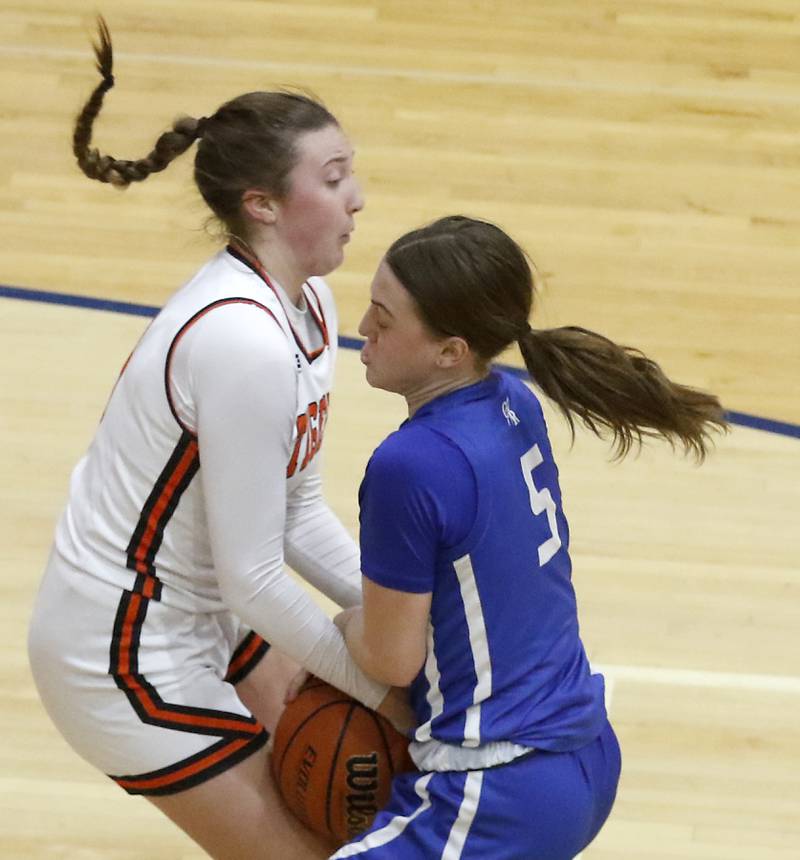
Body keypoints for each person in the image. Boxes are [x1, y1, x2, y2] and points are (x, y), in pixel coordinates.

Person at [27, 18, 402, 860]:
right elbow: (257, 572)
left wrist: (392, 624)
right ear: (262, 205)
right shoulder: (241, 339)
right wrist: (383, 686)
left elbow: (297, 512)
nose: (358, 197)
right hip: (120, 647)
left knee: (365, 814)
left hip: (209, 612)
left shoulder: (307, 304)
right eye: (334, 178)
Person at [332, 215, 728, 859]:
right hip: (583, 754)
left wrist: (346, 622)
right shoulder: (513, 401)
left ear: (450, 350)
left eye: (384, 314)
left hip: (495, 788)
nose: (363, 328)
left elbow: (390, 659)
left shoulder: (411, 464)